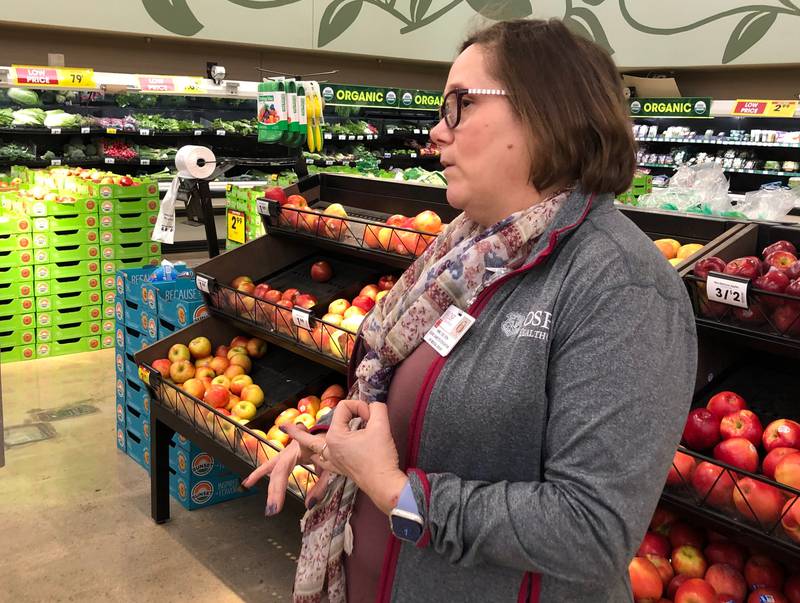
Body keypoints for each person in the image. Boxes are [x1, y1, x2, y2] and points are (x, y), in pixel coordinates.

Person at [244, 18, 697, 603]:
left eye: (459, 104)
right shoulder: (463, 257)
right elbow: (426, 411)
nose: (437, 132)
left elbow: (592, 529)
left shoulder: (621, 285)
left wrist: (396, 493)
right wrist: (340, 446)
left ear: (547, 112)